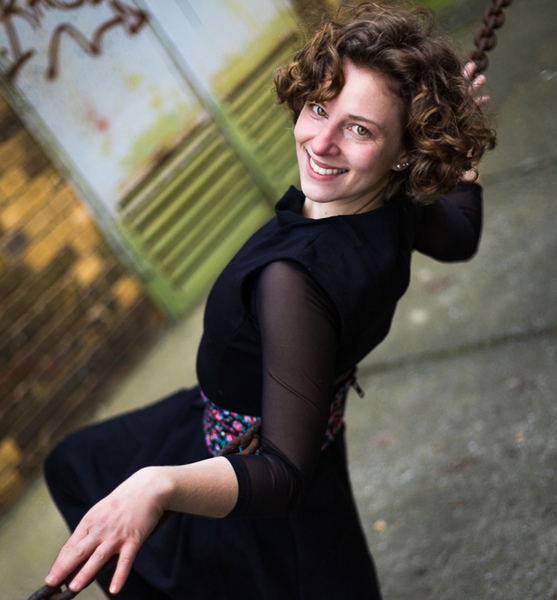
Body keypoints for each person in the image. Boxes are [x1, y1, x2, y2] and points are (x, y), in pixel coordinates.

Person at [43, 2, 495, 599]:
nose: (321, 142)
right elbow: (461, 237)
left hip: (252, 466)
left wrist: (158, 485)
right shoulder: (398, 198)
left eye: (360, 129)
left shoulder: (295, 279)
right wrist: (459, 164)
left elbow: (281, 471)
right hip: (264, 419)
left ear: (406, 150)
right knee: (76, 462)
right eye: (319, 108)